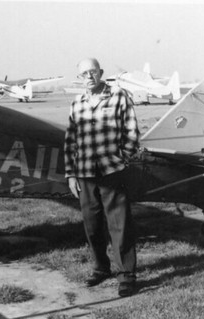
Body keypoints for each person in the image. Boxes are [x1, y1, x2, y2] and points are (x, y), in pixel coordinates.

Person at [64, 58, 140, 297]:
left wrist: (122, 159)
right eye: (84, 73)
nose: (89, 76)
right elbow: (70, 141)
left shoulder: (118, 96)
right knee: (93, 225)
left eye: (93, 71)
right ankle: (101, 268)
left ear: (101, 73)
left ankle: (126, 276)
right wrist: (71, 174)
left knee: (120, 225)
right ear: (80, 77)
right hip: (85, 174)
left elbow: (132, 132)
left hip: (112, 172)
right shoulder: (77, 103)